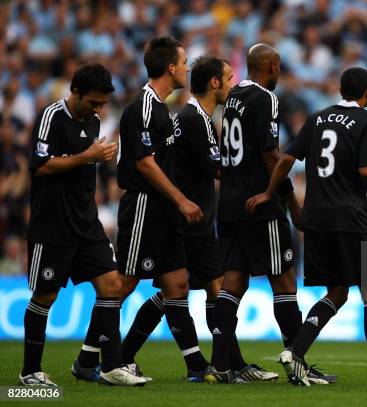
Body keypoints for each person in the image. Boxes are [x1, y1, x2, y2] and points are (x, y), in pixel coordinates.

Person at [118, 56, 275, 382]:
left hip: (195, 218)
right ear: (215, 83)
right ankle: (229, 365)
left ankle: (209, 364)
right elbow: (219, 169)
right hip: (191, 220)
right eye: (230, 79)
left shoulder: (196, 117)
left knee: (184, 292)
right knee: (207, 291)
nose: (233, 85)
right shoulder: (192, 120)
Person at [247, 67, 367, 387]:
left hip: (316, 220)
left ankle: (294, 352)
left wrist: (268, 192)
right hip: (352, 219)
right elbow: (366, 169)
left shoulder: (317, 117)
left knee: (337, 292)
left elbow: (286, 160)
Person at [205, 43, 333, 385]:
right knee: (285, 281)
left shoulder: (232, 98)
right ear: (273, 66)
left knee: (233, 282)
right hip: (260, 206)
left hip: (230, 205)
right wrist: (290, 200)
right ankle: (297, 362)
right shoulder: (265, 98)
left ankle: (220, 365)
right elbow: (270, 155)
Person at [21, 63, 146, 386]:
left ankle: (110, 366)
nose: (99, 109)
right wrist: (86, 156)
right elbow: (41, 166)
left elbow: (88, 163)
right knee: (44, 297)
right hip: (52, 226)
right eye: (93, 102)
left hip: (86, 225)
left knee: (112, 286)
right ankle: (30, 372)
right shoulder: (51, 117)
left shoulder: (92, 122)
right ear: (75, 92)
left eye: (103, 104)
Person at [113, 36, 209, 382]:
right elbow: (145, 165)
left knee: (177, 284)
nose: (187, 68)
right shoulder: (142, 106)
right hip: (144, 204)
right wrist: (181, 199)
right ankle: (95, 359)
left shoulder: (160, 107)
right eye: (184, 62)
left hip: (164, 207)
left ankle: (196, 365)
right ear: (171, 67)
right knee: (123, 283)